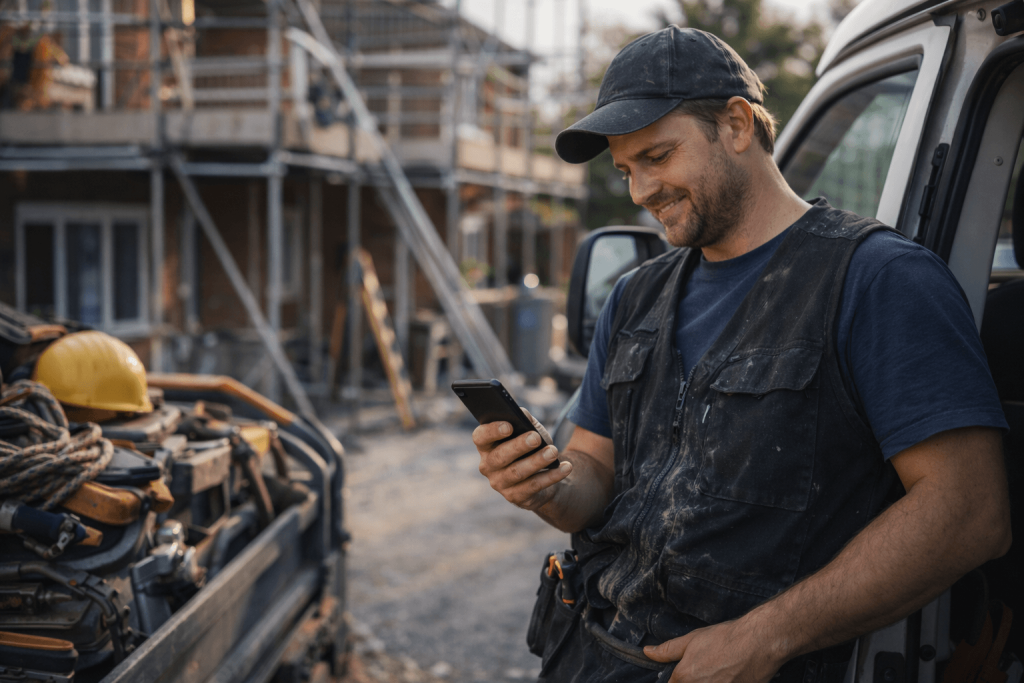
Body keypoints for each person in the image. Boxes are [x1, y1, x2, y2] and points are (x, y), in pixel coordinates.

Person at [472, 25, 1012, 683]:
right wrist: (546, 484)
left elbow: (969, 510)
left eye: (658, 156)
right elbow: (594, 476)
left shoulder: (878, 280)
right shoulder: (635, 298)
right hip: (589, 655)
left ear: (735, 125)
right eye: (626, 170)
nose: (640, 191)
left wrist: (765, 637)